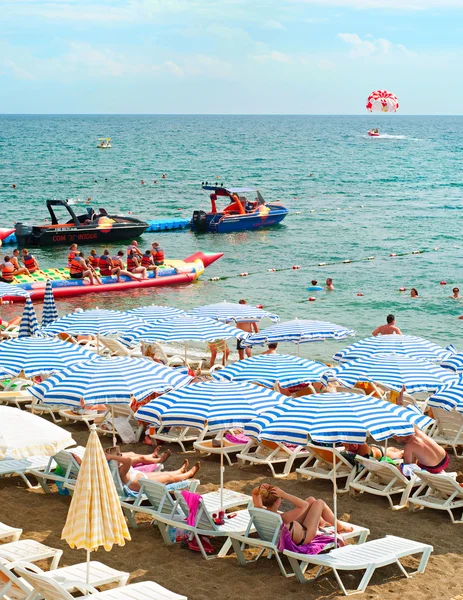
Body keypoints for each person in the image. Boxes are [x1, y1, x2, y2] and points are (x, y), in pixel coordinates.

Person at [252, 484, 352, 546]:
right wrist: (284, 494)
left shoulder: (260, 510)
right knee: (319, 503)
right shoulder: (283, 518)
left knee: (311, 500)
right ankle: (340, 527)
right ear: (278, 501)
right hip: (305, 536)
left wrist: (261, 488)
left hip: (293, 529)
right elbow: (304, 505)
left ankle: (322, 522)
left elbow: (254, 493)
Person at [105, 453, 200, 492]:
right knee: (168, 478)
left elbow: (132, 459)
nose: (120, 456)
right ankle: (189, 474)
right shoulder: (120, 470)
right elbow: (128, 461)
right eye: (118, 456)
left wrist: (112, 457)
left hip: (141, 478)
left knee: (164, 473)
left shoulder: (118, 467)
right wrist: (112, 456)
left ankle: (180, 471)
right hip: (142, 484)